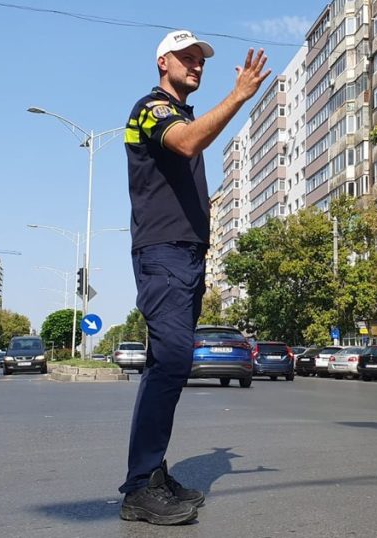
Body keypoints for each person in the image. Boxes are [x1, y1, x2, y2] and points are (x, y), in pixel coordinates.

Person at [117, 30, 270, 526]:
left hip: (186, 255)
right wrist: (239, 96)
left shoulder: (181, 114)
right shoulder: (152, 108)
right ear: (163, 62)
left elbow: (190, 138)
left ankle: (150, 475)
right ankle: (139, 487)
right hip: (163, 253)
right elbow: (186, 142)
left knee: (166, 363)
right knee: (173, 360)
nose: (196, 64)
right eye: (186, 57)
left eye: (200, 59)